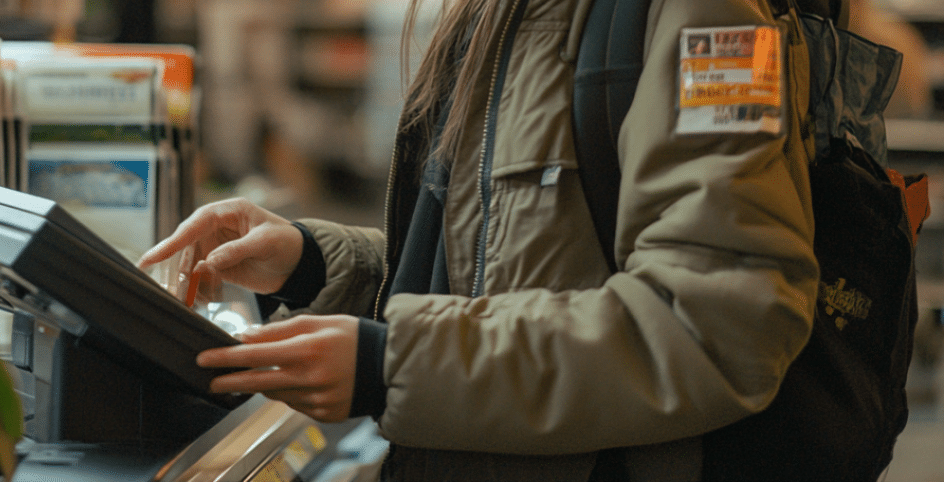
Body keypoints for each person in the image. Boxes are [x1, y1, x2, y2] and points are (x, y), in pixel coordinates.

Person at [139, 0, 831, 479]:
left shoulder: (705, 19)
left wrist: (393, 362)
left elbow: (713, 325)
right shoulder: (501, 17)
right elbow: (496, 273)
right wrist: (312, 262)